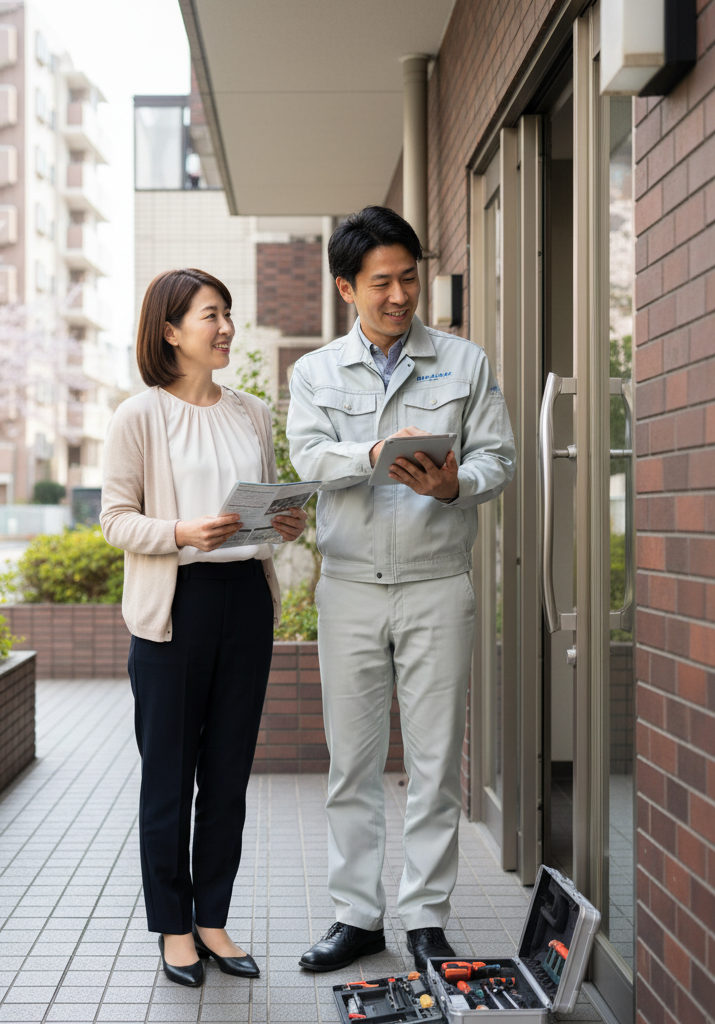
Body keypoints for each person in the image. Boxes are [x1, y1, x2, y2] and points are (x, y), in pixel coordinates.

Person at [286, 207, 515, 973]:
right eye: (381, 282)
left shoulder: (464, 363)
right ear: (347, 287)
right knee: (351, 764)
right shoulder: (314, 372)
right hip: (349, 588)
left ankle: (425, 918)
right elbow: (309, 459)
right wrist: (370, 453)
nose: (398, 295)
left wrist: (457, 485)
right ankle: (356, 918)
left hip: (437, 585)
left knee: (434, 762)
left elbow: (500, 459)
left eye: (408, 278)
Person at [101, 268, 308, 987]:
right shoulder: (140, 415)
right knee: (169, 779)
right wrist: (181, 531)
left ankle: (213, 919)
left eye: (228, 315)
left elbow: (271, 508)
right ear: (170, 331)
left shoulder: (252, 411)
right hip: (174, 610)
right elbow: (114, 519)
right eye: (210, 315)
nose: (225, 328)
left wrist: (287, 519)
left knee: (227, 776)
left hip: (245, 601)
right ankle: (173, 928)